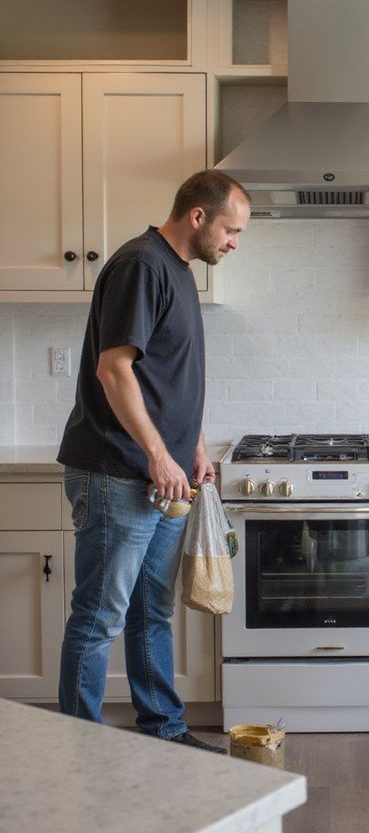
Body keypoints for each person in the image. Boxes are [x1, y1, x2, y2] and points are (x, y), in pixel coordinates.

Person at [57, 169, 250, 752]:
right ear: (198, 216)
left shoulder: (179, 272)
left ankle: (163, 732)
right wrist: (158, 453)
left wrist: (192, 445)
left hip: (160, 475)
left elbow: (165, 373)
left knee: (151, 612)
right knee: (99, 618)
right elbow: (113, 369)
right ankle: (81, 751)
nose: (234, 243)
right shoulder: (142, 265)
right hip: (118, 473)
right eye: (231, 230)